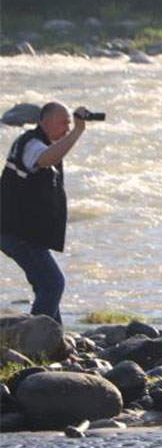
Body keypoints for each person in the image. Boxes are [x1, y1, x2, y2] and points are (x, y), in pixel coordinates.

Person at [1, 102, 95, 324]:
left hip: (24, 231)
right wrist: (78, 131)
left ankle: (54, 338)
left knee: (46, 284)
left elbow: (51, 155)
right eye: (63, 123)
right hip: (16, 231)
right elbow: (46, 159)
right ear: (44, 122)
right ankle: (36, 339)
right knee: (53, 283)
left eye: (69, 123)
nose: (67, 127)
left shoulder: (40, 143)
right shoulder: (32, 143)